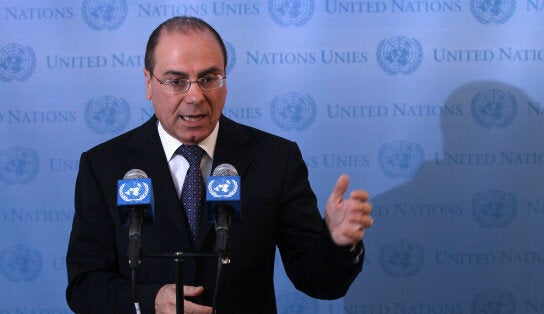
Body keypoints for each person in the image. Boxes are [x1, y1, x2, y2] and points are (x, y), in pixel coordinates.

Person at [65, 16, 373, 313]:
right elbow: (84, 285)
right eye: (176, 81)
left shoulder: (276, 160)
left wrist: (336, 242)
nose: (196, 96)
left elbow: (320, 282)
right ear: (149, 83)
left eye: (209, 78)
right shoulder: (105, 165)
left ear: (225, 81)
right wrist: (150, 301)